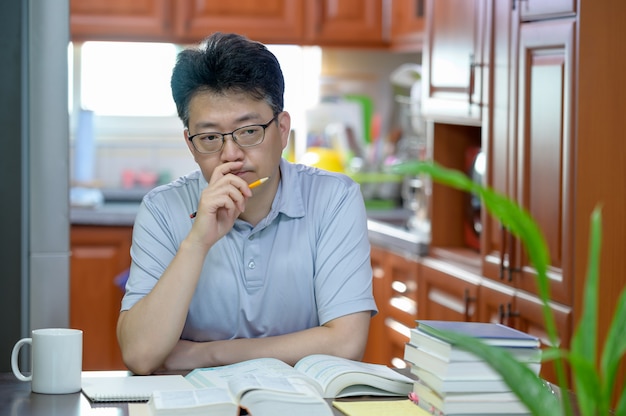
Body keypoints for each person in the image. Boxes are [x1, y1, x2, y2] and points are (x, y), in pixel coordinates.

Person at [117, 32, 377, 375]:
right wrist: (198, 241)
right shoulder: (162, 209)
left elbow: (346, 343)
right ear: (190, 144)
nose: (231, 154)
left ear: (282, 129)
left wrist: (205, 355)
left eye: (249, 131)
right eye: (210, 137)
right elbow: (140, 354)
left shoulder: (333, 198)